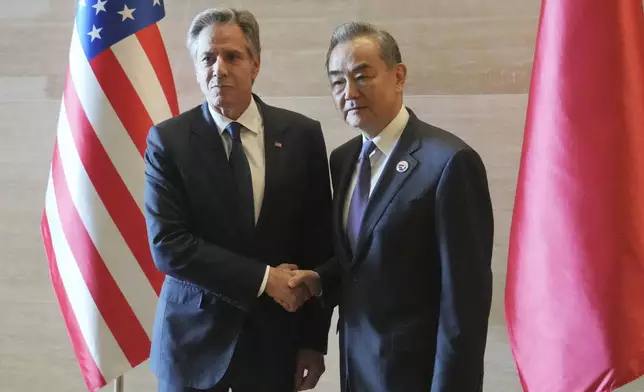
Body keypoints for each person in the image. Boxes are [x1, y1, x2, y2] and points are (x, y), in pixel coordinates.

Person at [289, 21, 494, 392]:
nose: (349, 92)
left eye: (361, 76)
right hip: (358, 367)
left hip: (417, 374)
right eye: (337, 82)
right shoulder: (344, 158)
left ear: (398, 76)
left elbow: (465, 303)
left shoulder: (449, 162)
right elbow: (365, 254)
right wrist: (322, 279)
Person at [143, 8, 332, 392]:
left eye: (232, 56)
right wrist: (264, 279)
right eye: (207, 58)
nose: (219, 69)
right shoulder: (168, 141)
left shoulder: (302, 135)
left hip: (274, 345)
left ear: (255, 64)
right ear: (196, 70)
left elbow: (317, 244)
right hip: (192, 346)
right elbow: (168, 247)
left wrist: (313, 342)